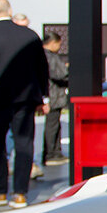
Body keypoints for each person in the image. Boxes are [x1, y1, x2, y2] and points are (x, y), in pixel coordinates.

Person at [0, 0, 49, 209]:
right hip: (25, 99)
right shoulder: (29, 35)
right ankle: (20, 194)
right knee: (24, 142)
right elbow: (42, 68)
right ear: (10, 10)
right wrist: (44, 97)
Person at [42, 31, 68, 165]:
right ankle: (51, 154)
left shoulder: (43, 56)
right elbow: (60, 74)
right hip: (53, 95)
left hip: (52, 95)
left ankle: (53, 152)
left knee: (53, 125)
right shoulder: (50, 57)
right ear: (52, 43)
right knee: (52, 126)